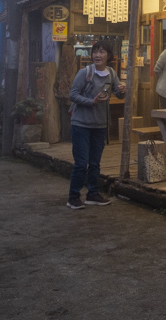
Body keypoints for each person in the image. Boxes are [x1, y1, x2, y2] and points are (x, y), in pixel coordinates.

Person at [66, 40, 126, 210]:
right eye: (95, 52)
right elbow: (72, 95)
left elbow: (117, 94)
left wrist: (122, 91)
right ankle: (73, 197)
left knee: (95, 163)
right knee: (81, 163)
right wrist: (91, 101)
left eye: (102, 52)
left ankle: (92, 194)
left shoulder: (112, 73)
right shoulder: (84, 73)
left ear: (109, 56)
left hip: (100, 125)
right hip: (81, 124)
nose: (97, 55)